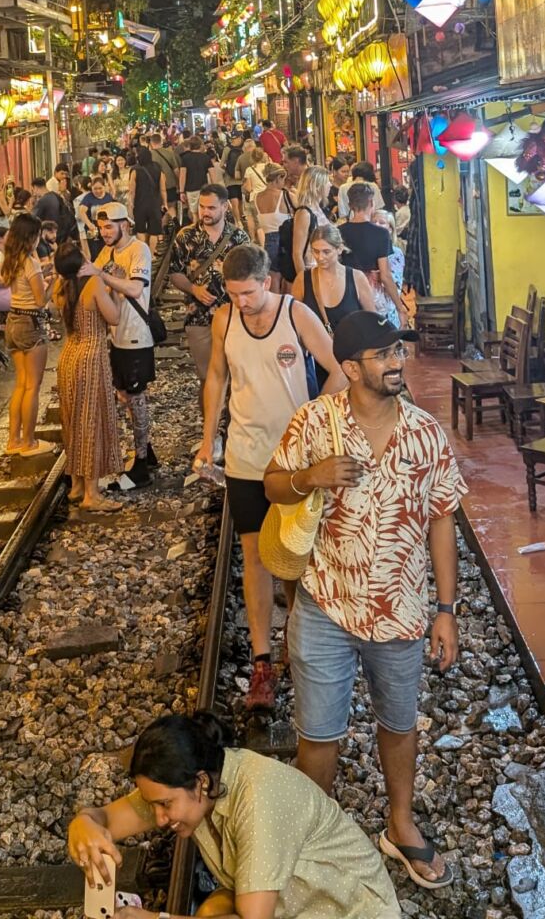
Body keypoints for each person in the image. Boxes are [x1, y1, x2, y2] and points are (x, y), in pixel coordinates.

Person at [265, 310, 465, 891]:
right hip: (324, 606)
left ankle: (400, 825)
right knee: (318, 734)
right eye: (383, 355)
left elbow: (443, 520)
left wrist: (446, 611)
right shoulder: (315, 421)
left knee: (399, 724)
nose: (397, 362)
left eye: (398, 350)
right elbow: (272, 483)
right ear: (351, 368)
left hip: (401, 610)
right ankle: (313, 836)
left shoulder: (425, 433)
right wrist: (312, 476)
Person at [194, 243, 345, 713]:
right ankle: (262, 662)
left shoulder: (295, 315)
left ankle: (299, 640)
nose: (241, 302)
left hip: (294, 461)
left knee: (296, 556)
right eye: (233, 293)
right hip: (245, 458)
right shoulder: (224, 320)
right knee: (255, 556)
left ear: (267, 282)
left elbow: (340, 369)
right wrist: (208, 439)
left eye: (248, 293)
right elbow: (216, 377)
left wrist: (313, 420)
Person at [68, 709, 399, 918]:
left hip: (352, 910)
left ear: (200, 782)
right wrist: (83, 825)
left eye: (164, 804)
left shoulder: (258, 797)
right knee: (213, 909)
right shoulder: (201, 781)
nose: (158, 819)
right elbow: (103, 819)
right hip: (298, 904)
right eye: (152, 803)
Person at [91, 202, 158, 487]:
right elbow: (93, 275)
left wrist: (101, 275)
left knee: (136, 398)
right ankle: (147, 451)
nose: (104, 232)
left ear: (124, 225)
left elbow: (135, 287)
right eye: (101, 228)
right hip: (117, 336)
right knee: (125, 395)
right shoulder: (107, 252)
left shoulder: (138, 249)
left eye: (109, 227)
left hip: (136, 335)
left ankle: (141, 466)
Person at [53, 243, 123, 512]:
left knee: (72, 421)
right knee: (91, 421)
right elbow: (113, 317)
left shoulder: (60, 287)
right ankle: (92, 495)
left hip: (68, 356)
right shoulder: (93, 284)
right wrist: (116, 290)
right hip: (91, 358)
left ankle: (77, 486)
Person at [169, 185, 249, 390]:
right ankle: (209, 412)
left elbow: (250, 276)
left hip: (233, 316)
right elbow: (175, 272)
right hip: (198, 316)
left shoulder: (239, 238)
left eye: (211, 208)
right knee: (206, 378)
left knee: (236, 377)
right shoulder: (185, 236)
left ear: (225, 207)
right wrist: (193, 289)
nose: (205, 212)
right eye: (202, 207)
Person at [292, 225, 376, 388]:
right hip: (316, 363)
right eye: (315, 251)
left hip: (352, 362)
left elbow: (371, 321)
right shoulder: (303, 280)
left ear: (339, 249)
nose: (320, 257)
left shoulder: (356, 278)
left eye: (326, 252)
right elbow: (293, 322)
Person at [2, 213, 51, 457]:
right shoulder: (31, 263)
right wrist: (55, 282)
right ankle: (29, 442)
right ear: (31, 236)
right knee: (33, 386)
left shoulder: (11, 259)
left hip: (13, 321)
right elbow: (41, 301)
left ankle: (14, 440)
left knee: (21, 384)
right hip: (31, 323)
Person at [341, 183, 408, 328]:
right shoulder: (381, 234)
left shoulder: (339, 232)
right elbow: (385, 276)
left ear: (350, 205)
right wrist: (400, 308)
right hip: (372, 297)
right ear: (371, 203)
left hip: (346, 293)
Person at [290, 166, 331, 278]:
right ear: (317, 185)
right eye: (327, 181)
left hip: (323, 269)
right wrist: (304, 281)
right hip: (313, 270)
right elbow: (297, 253)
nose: (330, 185)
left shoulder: (317, 208)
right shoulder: (304, 212)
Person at [254, 164, 289, 292]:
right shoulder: (285, 195)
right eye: (284, 179)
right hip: (285, 242)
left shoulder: (257, 197)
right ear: (279, 177)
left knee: (273, 279)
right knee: (288, 280)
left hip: (268, 243)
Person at [129, 146, 166, 249]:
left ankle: (143, 252)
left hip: (140, 204)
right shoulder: (157, 167)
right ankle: (152, 253)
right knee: (154, 232)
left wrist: (131, 204)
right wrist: (165, 203)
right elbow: (163, 188)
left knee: (140, 230)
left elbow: (132, 191)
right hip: (155, 204)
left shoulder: (135, 170)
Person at [75, 173, 115, 257]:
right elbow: (81, 211)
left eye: (100, 188)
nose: (98, 191)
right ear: (91, 188)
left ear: (104, 187)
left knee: (107, 249)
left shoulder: (108, 197)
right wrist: (89, 224)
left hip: (105, 227)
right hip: (92, 228)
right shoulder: (88, 197)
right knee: (94, 251)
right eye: (95, 189)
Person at [33, 174, 78, 244]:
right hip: (62, 233)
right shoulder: (56, 196)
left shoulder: (42, 201)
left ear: (36, 188)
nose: (34, 193)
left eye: (33, 190)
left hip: (50, 235)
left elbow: (34, 218)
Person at [178, 136, 214, 223]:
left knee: (194, 213)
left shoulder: (185, 158)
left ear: (190, 146)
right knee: (204, 212)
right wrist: (214, 188)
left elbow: (182, 175)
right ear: (200, 145)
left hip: (191, 190)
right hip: (204, 188)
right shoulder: (206, 157)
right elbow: (213, 174)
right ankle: (204, 228)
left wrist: (181, 191)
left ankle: (197, 229)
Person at [150, 132, 181, 222]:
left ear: (151, 143)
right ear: (161, 141)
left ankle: (162, 226)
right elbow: (176, 170)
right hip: (170, 185)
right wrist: (179, 185)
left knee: (160, 209)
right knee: (171, 207)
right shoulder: (169, 153)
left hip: (156, 187)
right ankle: (172, 221)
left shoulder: (149, 155)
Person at [326, 155, 351, 219]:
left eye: (348, 171)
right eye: (343, 171)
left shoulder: (350, 188)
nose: (346, 174)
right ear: (335, 172)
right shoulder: (328, 188)